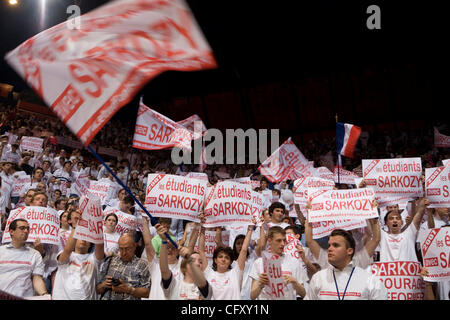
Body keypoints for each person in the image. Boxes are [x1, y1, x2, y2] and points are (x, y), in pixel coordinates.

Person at [305, 229, 387, 300]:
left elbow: (376, 239)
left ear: (349, 251)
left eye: (336, 245)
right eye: (329, 245)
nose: (330, 249)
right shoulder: (318, 278)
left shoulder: (371, 280)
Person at [249, 226, 307, 300]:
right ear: (269, 241)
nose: (282, 244)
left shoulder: (294, 261)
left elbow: (304, 294)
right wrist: (260, 284)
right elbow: (252, 296)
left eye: (284, 240)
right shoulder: (259, 263)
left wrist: (295, 282)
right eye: (279, 240)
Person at [52, 222, 105, 299]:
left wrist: (96, 223)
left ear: (90, 244)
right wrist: (75, 227)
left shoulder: (94, 259)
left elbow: (100, 246)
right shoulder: (65, 255)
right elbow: (67, 249)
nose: (83, 239)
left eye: (87, 238)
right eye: (80, 236)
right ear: (75, 240)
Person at [158, 224, 211, 300]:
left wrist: (198, 227)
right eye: (193, 260)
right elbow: (164, 270)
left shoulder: (205, 287)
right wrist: (163, 241)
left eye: (200, 262)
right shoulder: (174, 285)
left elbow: (195, 249)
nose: (197, 264)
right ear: (184, 266)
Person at [203, 224, 254, 300]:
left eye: (226, 258)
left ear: (230, 262)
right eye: (220, 257)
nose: (223, 259)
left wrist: (250, 228)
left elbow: (243, 250)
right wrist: (202, 228)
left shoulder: (235, 273)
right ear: (215, 260)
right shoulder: (209, 272)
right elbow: (201, 250)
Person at [0, 219, 48, 297]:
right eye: (22, 228)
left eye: (27, 229)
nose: (26, 231)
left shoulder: (35, 254)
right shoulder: (1, 251)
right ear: (11, 232)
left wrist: (44, 295)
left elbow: (37, 278)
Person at [96, 233, 150, 300]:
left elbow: (147, 293)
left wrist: (128, 289)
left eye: (127, 249)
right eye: (121, 249)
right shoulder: (110, 261)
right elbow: (98, 289)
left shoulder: (142, 265)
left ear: (134, 246)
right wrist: (104, 285)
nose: (124, 253)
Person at [379, 197, 428, 262]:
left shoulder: (409, 234)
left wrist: (422, 196)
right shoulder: (381, 236)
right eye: (391, 218)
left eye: (398, 218)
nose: (395, 220)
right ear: (386, 223)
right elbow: (373, 221)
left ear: (402, 222)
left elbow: (420, 213)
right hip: (388, 272)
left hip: (407, 272)